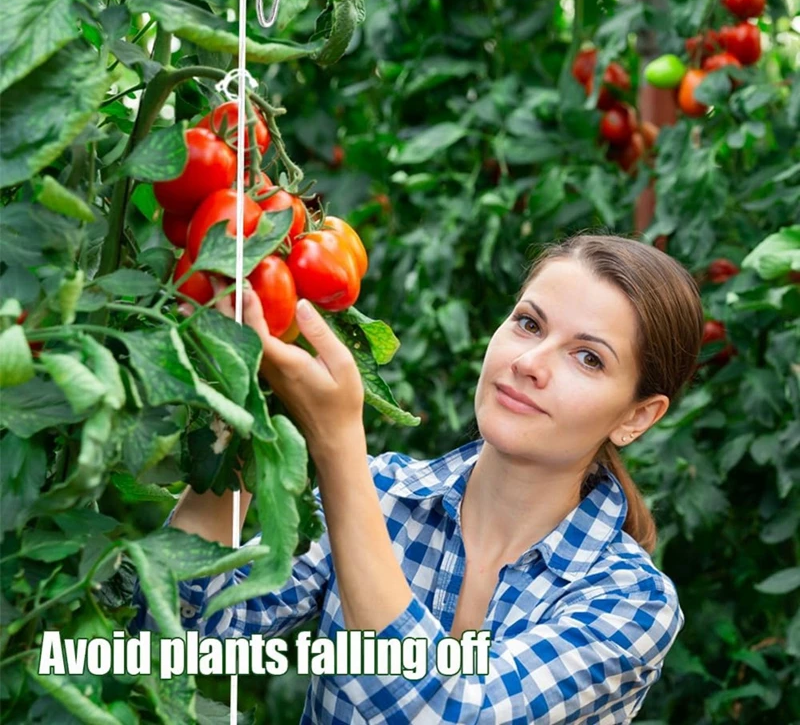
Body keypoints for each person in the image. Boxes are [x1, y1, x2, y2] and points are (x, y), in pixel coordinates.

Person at [129, 231, 704, 724]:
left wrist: (338, 447)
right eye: (529, 324)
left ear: (636, 416)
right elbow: (173, 644)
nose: (530, 363)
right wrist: (239, 406)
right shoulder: (382, 498)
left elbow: (448, 714)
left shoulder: (630, 603)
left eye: (589, 358)